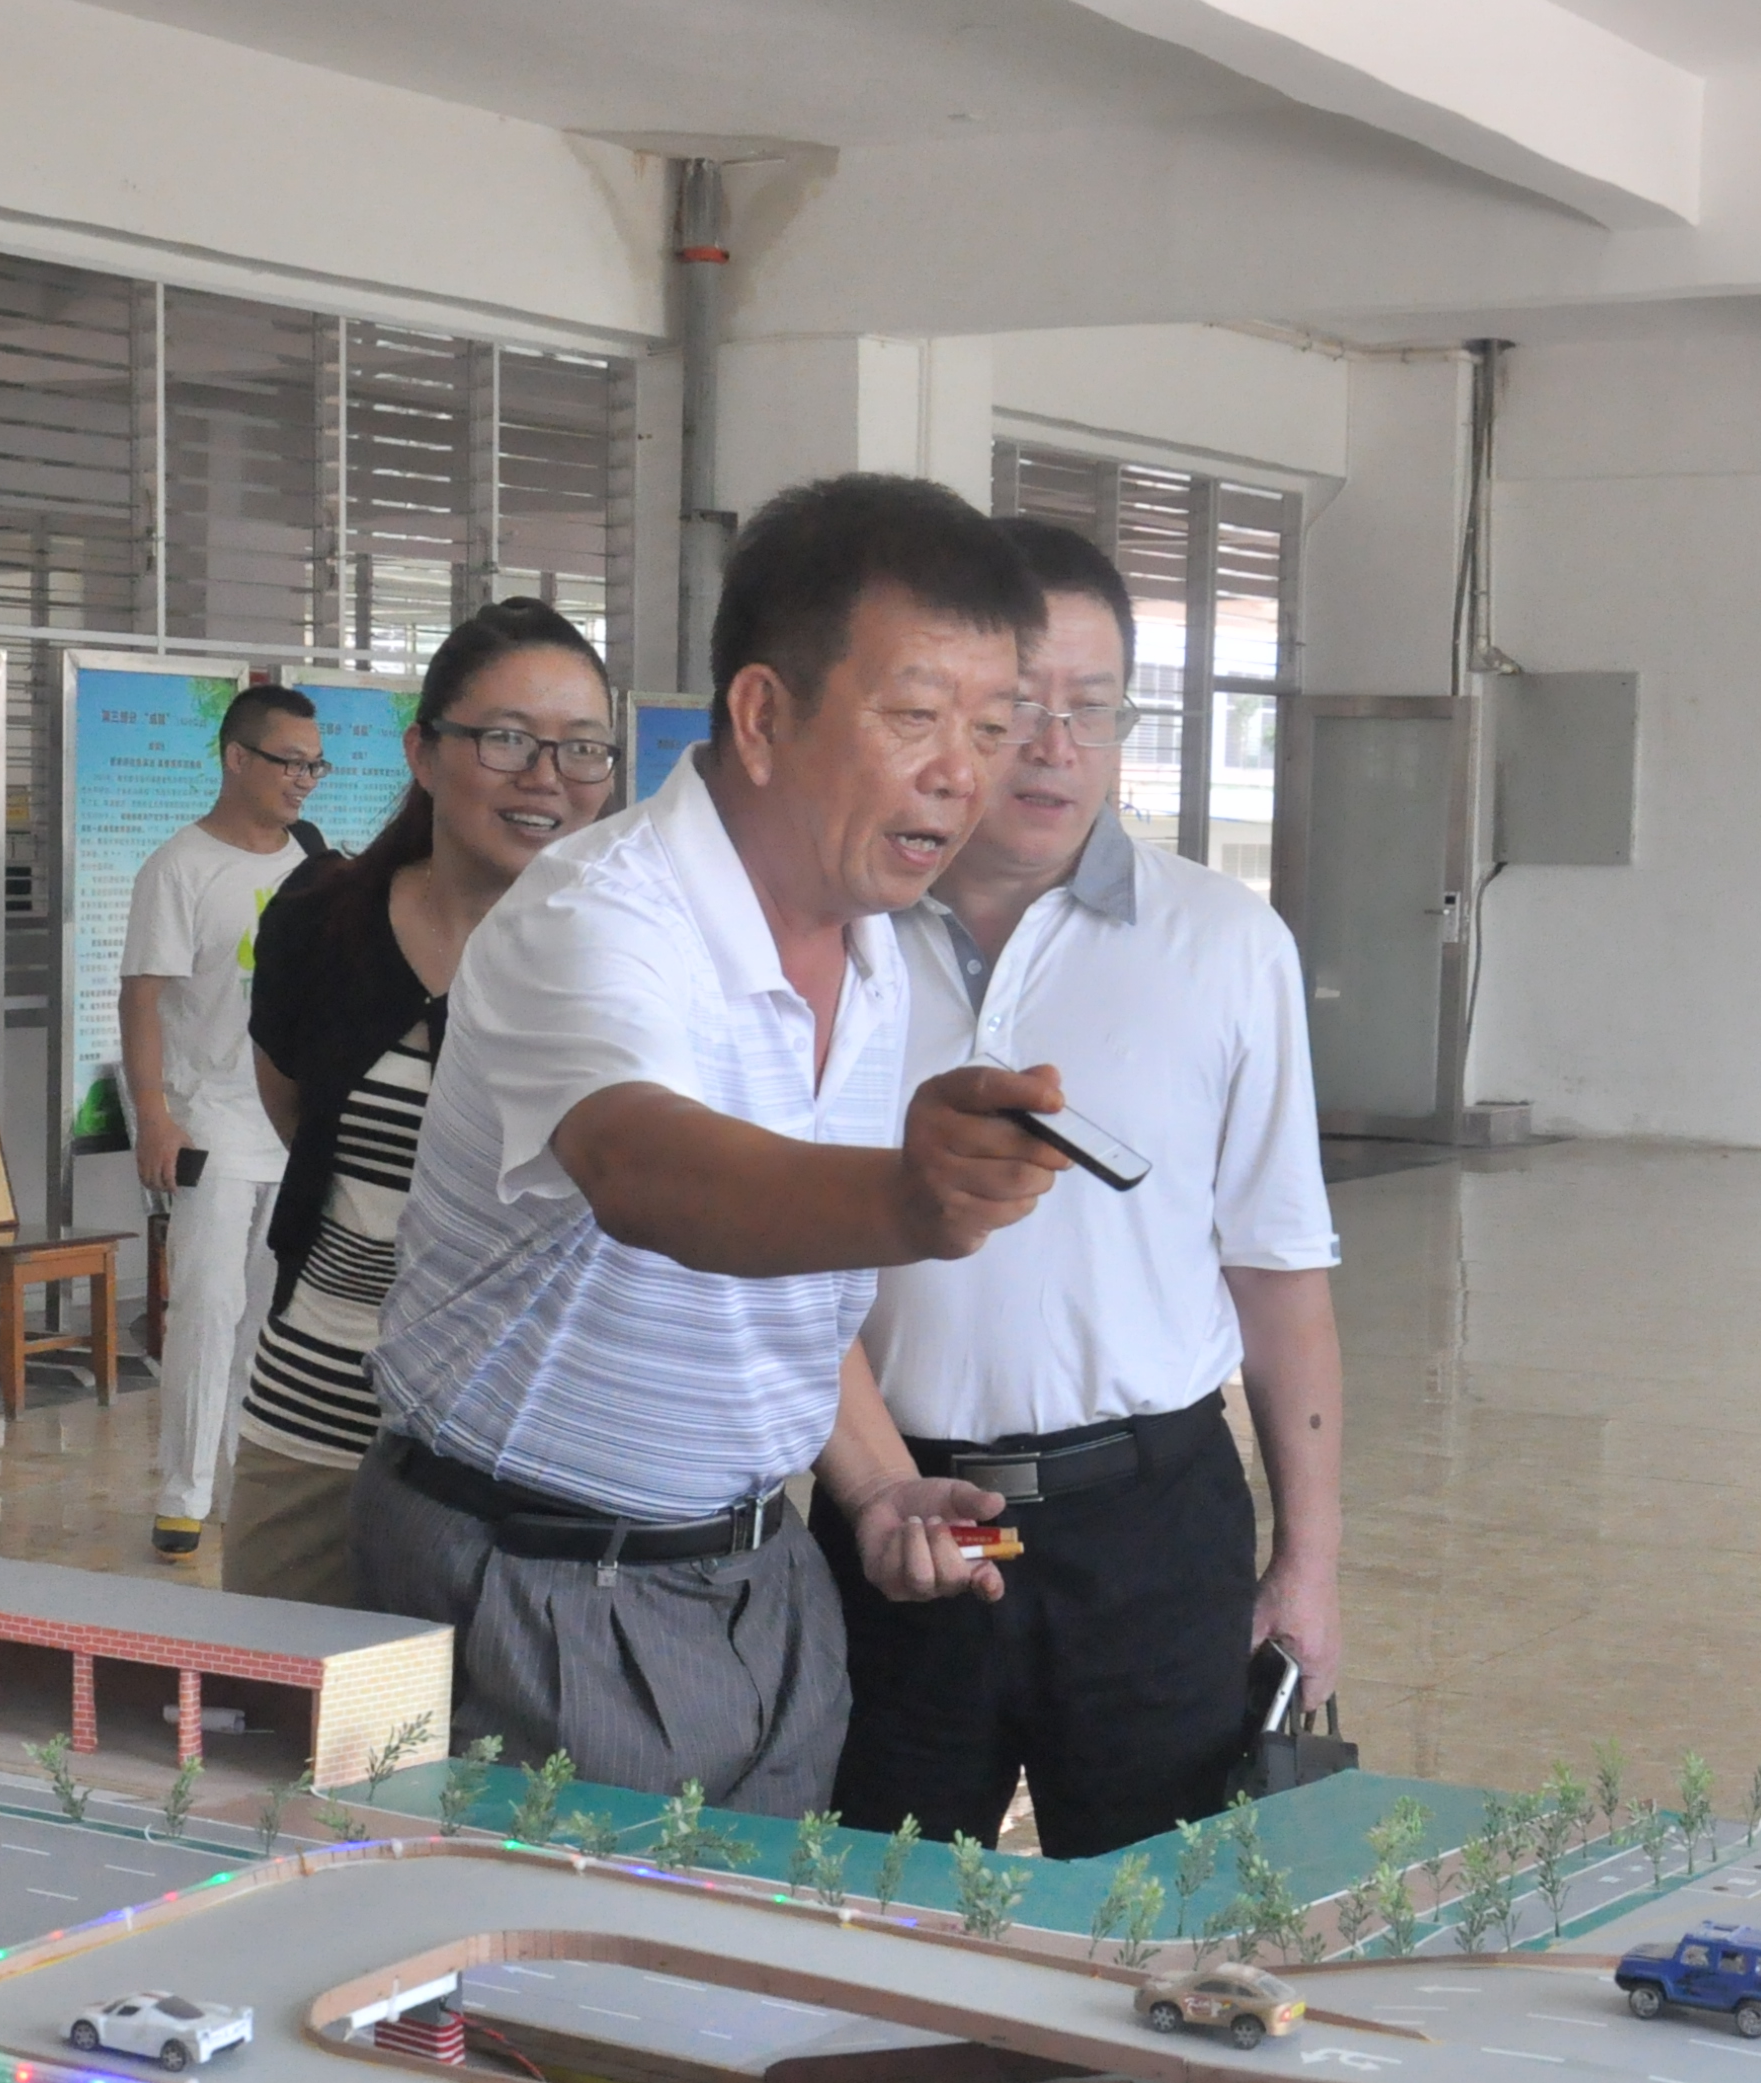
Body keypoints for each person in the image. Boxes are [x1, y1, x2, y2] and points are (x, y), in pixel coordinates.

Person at [355, 472, 1071, 1814]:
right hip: (539, 1583)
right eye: (915, 716)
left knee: (742, 1947)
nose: (961, 773)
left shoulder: (878, 957)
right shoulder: (596, 914)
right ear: (762, 715)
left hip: (764, 1577)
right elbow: (647, 1171)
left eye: (990, 728)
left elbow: (784, 1286)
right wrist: (909, 1199)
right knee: (561, 1956)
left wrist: (878, 1488)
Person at [820, 516, 1344, 1857]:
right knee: (877, 1908)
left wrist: (1308, 1560)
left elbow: (1278, 1269)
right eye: (1017, 709)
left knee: (1157, 1918)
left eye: (1093, 708)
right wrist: (873, 1492)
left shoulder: (1225, 943)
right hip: (894, 1523)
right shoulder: (837, 934)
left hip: (1146, 1528)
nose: (1055, 745)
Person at [228, 600, 619, 1604]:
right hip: (319, 1408)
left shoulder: (633, 959)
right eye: (506, 739)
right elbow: (299, 1116)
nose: (546, 776)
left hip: (527, 1447)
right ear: (423, 752)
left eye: (582, 748)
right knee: (288, 1692)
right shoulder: (321, 922)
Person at [122, 682, 319, 1560]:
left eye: (314, 765)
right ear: (237, 758)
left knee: (271, 1315)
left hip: (295, 1125)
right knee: (206, 1303)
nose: (303, 779)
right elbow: (142, 998)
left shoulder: (313, 861)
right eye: (288, 762)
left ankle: (244, 1482)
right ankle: (183, 1490)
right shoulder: (179, 867)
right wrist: (154, 1116)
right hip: (209, 1121)